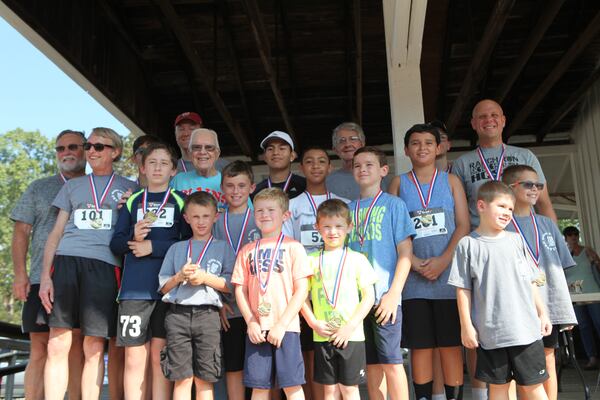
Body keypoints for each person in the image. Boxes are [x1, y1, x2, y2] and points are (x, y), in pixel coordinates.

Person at [39, 127, 137, 400]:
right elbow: (55, 233)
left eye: (98, 146)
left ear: (115, 152)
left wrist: (132, 207)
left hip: (105, 266)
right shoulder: (72, 186)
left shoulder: (131, 188)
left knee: (94, 347)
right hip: (66, 261)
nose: (90, 151)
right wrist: (45, 277)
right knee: (57, 343)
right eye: (88, 145)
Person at [448, 181, 552, 400]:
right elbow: (462, 289)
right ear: (481, 206)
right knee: (497, 389)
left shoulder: (516, 241)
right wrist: (466, 326)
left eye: (511, 209)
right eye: (502, 206)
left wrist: (542, 313)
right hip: (491, 334)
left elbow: (531, 280)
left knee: (533, 387)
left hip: (526, 332)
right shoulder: (467, 245)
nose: (507, 213)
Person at [388, 124, 469, 400]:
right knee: (420, 345)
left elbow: (463, 225)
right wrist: (414, 261)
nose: (422, 147)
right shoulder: (398, 183)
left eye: (427, 142)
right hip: (413, 278)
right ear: (406, 149)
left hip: (448, 277)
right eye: (415, 143)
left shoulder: (451, 181)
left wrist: (444, 260)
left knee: (450, 344)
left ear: (438, 148)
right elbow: (394, 231)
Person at [10, 129, 86, 400]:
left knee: (77, 347)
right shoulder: (39, 187)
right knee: (40, 346)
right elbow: (21, 232)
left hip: (81, 279)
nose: (66, 152)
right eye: (60, 148)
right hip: (40, 279)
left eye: (73, 146)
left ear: (86, 150)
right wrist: (20, 275)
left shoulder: (95, 187)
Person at [110, 143, 190, 399]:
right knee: (134, 357)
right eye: (152, 162)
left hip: (168, 290)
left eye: (164, 163)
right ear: (142, 167)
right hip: (134, 291)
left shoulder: (181, 201)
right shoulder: (133, 200)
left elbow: (190, 245)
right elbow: (116, 244)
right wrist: (132, 236)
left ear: (173, 170)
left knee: (159, 357)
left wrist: (153, 247)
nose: (157, 167)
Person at [500, 165, 576, 399]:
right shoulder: (502, 225)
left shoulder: (547, 224)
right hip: (517, 308)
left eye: (539, 185)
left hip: (549, 307)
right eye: (528, 184)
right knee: (519, 364)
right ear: (510, 188)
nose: (535, 189)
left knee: (548, 357)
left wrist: (564, 310)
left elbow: (561, 269)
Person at [347, 146, 415, 400]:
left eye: (369, 165)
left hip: (384, 297)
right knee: (371, 364)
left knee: (392, 361)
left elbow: (405, 252)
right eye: (357, 165)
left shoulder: (393, 205)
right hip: (356, 301)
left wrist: (393, 293)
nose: (362, 169)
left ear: (383, 170)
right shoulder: (347, 209)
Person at [231, 188, 312, 400]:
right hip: (257, 328)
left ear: (286, 215)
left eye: (270, 210)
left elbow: (302, 289)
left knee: (292, 385)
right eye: (259, 210)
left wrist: (282, 324)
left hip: (286, 328)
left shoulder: (294, 247)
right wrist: (251, 322)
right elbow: (240, 289)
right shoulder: (246, 250)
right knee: (259, 387)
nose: (264, 214)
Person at [283, 146, 347, 400]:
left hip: (336, 287)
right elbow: (287, 245)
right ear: (301, 168)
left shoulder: (343, 203)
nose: (316, 166)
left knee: (337, 351)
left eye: (322, 161)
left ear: (330, 167)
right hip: (305, 287)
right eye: (309, 161)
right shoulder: (292, 205)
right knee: (308, 353)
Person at [158, 191, 234, 399]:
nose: (201, 222)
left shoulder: (224, 248)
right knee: (181, 378)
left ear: (216, 216)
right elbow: (163, 288)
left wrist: (204, 278)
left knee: (205, 378)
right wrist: (180, 276)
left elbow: (231, 286)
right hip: (178, 316)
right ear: (186, 218)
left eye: (206, 216)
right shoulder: (177, 248)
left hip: (208, 317)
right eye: (196, 217)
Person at [301, 199, 376, 400]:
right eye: (326, 226)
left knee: (350, 389)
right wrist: (313, 322)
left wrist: (349, 327)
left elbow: (369, 297)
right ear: (317, 227)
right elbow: (301, 297)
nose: (332, 231)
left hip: (351, 335)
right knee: (330, 390)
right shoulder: (310, 260)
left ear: (349, 227)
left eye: (338, 226)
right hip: (322, 335)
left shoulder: (358, 259)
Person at [452, 99, 557, 227]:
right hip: (484, 240)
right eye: (482, 117)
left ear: (503, 121)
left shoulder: (526, 156)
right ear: (473, 124)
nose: (489, 120)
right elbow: (459, 214)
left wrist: (554, 242)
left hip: (524, 237)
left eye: (494, 115)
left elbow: (543, 203)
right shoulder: (461, 163)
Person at [213, 160, 261, 400]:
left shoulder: (260, 219)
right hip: (229, 307)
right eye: (230, 185)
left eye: (241, 185)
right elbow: (207, 264)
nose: (235, 191)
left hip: (259, 308)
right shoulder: (214, 222)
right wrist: (218, 302)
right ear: (222, 188)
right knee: (234, 366)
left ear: (252, 187)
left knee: (262, 369)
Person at [563, 226, 600, 369]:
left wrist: (595, 261)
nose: (573, 237)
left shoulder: (587, 250)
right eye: (570, 234)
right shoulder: (563, 254)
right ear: (565, 237)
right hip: (575, 295)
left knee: (598, 323)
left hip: (592, 292)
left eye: (575, 234)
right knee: (584, 327)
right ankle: (591, 358)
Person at [171, 128, 233, 210]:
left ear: (217, 153)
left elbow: (246, 215)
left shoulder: (230, 181)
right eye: (197, 147)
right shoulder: (178, 180)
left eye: (209, 147)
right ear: (190, 153)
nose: (202, 152)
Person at [326, 122, 390, 200]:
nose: (348, 144)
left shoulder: (379, 176)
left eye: (353, 139)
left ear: (362, 144)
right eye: (341, 141)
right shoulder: (328, 181)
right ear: (335, 150)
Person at [252, 131, 306, 200]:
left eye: (282, 148)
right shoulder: (256, 191)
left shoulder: (305, 186)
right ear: (265, 157)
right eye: (270, 149)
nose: (275, 152)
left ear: (292, 156)